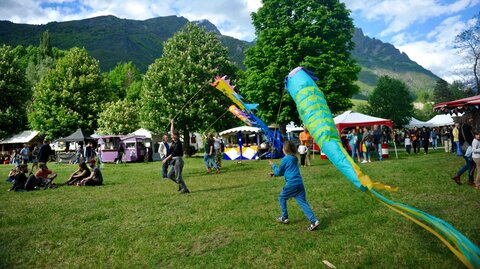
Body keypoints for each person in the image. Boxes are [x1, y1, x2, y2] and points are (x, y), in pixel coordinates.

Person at [268, 140, 320, 231]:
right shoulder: (295, 158)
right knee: (303, 202)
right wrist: (274, 174)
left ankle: (284, 217)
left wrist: (273, 165)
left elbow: (279, 171)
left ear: (285, 149)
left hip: (291, 183)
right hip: (299, 183)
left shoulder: (285, 159)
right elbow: (284, 172)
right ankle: (314, 221)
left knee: (282, 197)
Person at [162, 119, 190, 194]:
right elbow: (171, 131)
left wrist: (165, 159)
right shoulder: (174, 141)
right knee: (169, 175)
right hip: (174, 161)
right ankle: (180, 184)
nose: (172, 136)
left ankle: (185, 189)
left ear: (177, 136)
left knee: (178, 177)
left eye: (174, 136)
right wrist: (172, 123)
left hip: (178, 160)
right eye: (172, 136)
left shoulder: (178, 144)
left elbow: (173, 153)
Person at [452, 117, 476, 185]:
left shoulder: (462, 127)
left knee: (469, 164)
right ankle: (469, 180)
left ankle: (458, 175)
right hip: (467, 148)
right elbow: (468, 138)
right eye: (471, 118)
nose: (472, 120)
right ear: (467, 119)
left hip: (463, 148)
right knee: (472, 164)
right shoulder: (466, 127)